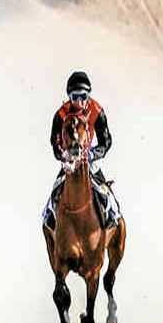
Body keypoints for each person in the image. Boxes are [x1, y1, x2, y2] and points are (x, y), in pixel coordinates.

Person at [43, 71, 121, 230]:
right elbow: (54, 141)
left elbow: (106, 141)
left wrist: (92, 154)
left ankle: (113, 213)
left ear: (89, 95)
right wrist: (63, 155)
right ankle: (49, 214)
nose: (79, 102)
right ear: (69, 97)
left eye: (83, 97)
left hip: (88, 156)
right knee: (55, 189)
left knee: (104, 190)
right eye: (75, 97)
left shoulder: (97, 110)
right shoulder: (61, 114)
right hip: (70, 159)